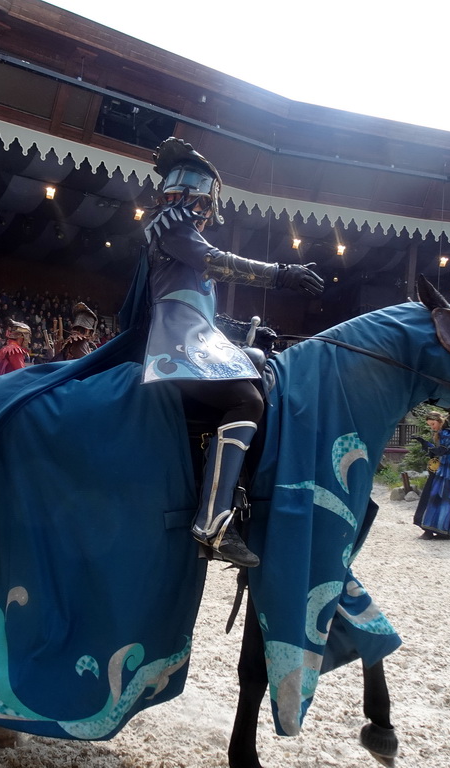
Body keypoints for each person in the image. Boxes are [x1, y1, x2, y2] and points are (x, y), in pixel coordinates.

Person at [142, 138, 324, 567]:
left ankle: (238, 485)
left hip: (196, 330)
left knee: (260, 364)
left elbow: (203, 308)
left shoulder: (174, 230)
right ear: (193, 197)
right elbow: (216, 261)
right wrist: (282, 274)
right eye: (205, 202)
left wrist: (243, 331)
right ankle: (213, 521)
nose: (205, 213)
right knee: (245, 396)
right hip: (176, 335)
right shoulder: (171, 227)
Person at [411, 411, 450, 541]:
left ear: (440, 421)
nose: (432, 427)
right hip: (442, 464)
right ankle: (430, 528)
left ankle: (443, 531)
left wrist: (428, 447)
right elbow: (437, 451)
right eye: (430, 425)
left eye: (433, 424)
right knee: (432, 494)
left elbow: (441, 450)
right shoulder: (440, 433)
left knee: (444, 495)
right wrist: (424, 442)